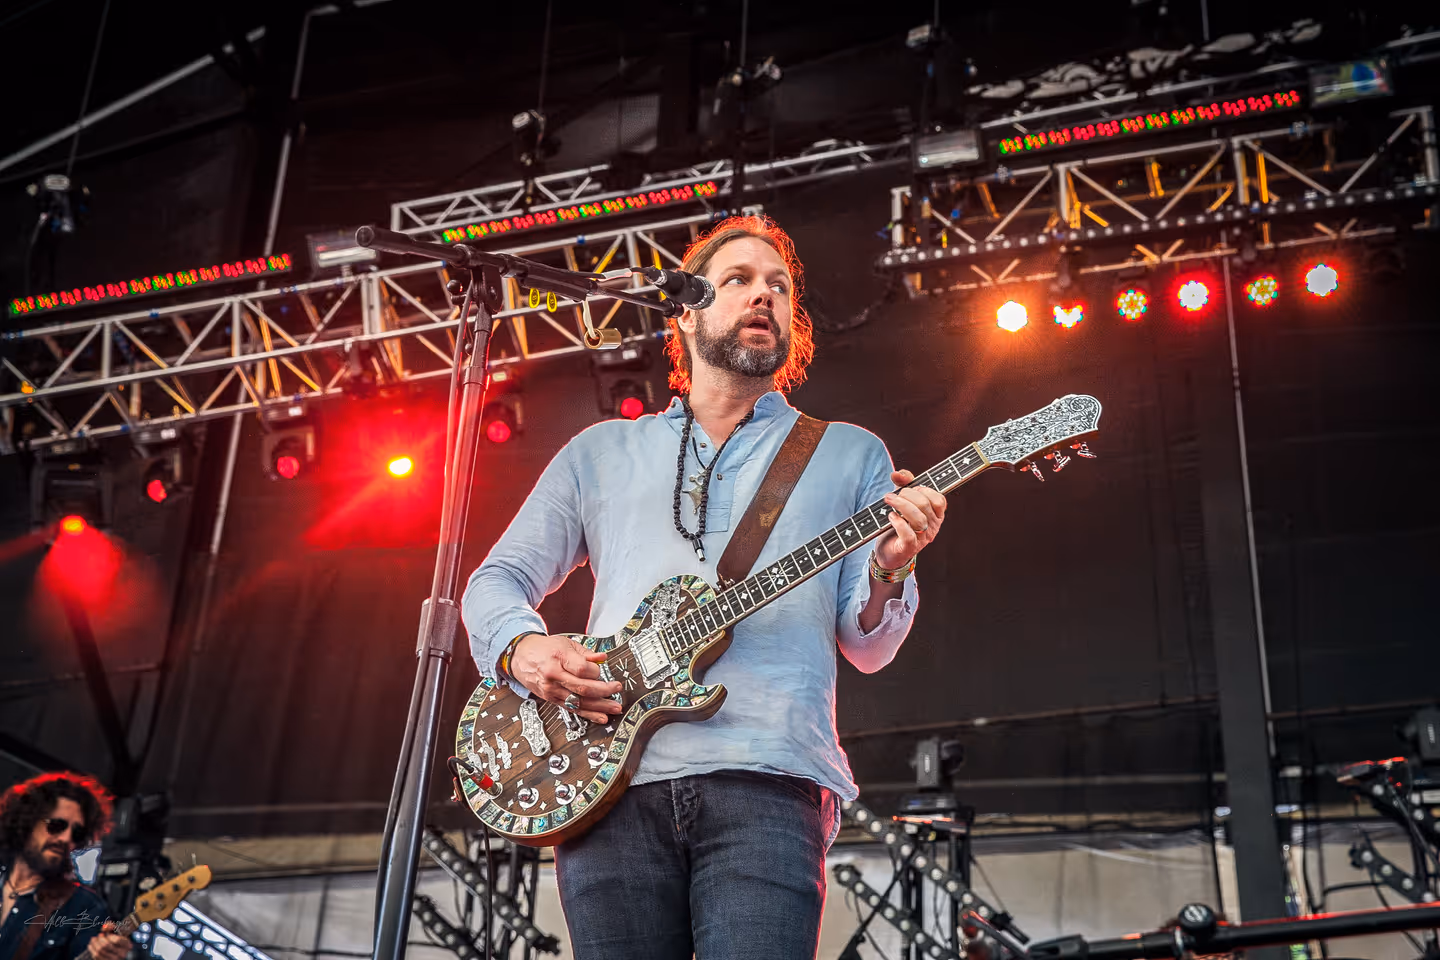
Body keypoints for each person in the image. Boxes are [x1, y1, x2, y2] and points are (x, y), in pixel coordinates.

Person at [462, 215, 947, 959]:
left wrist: (890, 566)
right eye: (739, 280)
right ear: (685, 311)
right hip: (605, 780)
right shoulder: (601, 451)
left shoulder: (849, 453)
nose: (764, 295)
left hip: (769, 777)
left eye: (779, 286)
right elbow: (496, 580)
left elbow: (869, 646)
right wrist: (523, 650)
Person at [0, 773, 130, 960]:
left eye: (77, 833)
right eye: (56, 825)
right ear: (27, 822)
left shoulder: (84, 908)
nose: (66, 838)